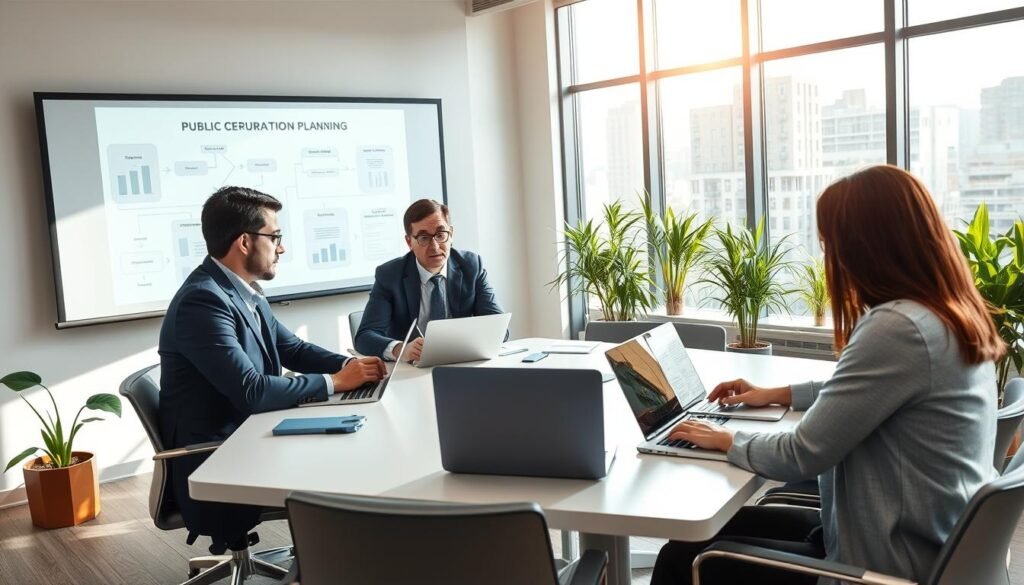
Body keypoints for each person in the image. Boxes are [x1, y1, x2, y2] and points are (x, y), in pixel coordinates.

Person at [650, 165, 1005, 585]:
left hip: (882, 569)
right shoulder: (945, 315)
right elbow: (864, 393)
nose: (828, 258)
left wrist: (724, 439)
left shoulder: (898, 328)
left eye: (829, 244)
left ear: (864, 248)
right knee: (704, 538)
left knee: (680, 561)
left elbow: (802, 453)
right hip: (922, 545)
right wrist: (778, 393)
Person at [158, 186, 385, 552]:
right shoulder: (202, 301)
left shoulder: (243, 292)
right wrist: (336, 382)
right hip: (220, 455)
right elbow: (252, 390)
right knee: (345, 465)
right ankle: (333, 563)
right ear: (245, 242)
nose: (281, 247)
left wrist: (350, 365)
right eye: (275, 236)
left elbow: (291, 348)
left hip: (252, 433)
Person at [354, 198, 505, 361]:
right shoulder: (390, 275)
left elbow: (499, 328)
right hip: (411, 369)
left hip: (461, 364)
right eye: (424, 238)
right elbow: (365, 337)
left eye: (441, 235)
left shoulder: (471, 266)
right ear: (409, 241)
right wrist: (401, 349)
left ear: (451, 234)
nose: (435, 246)